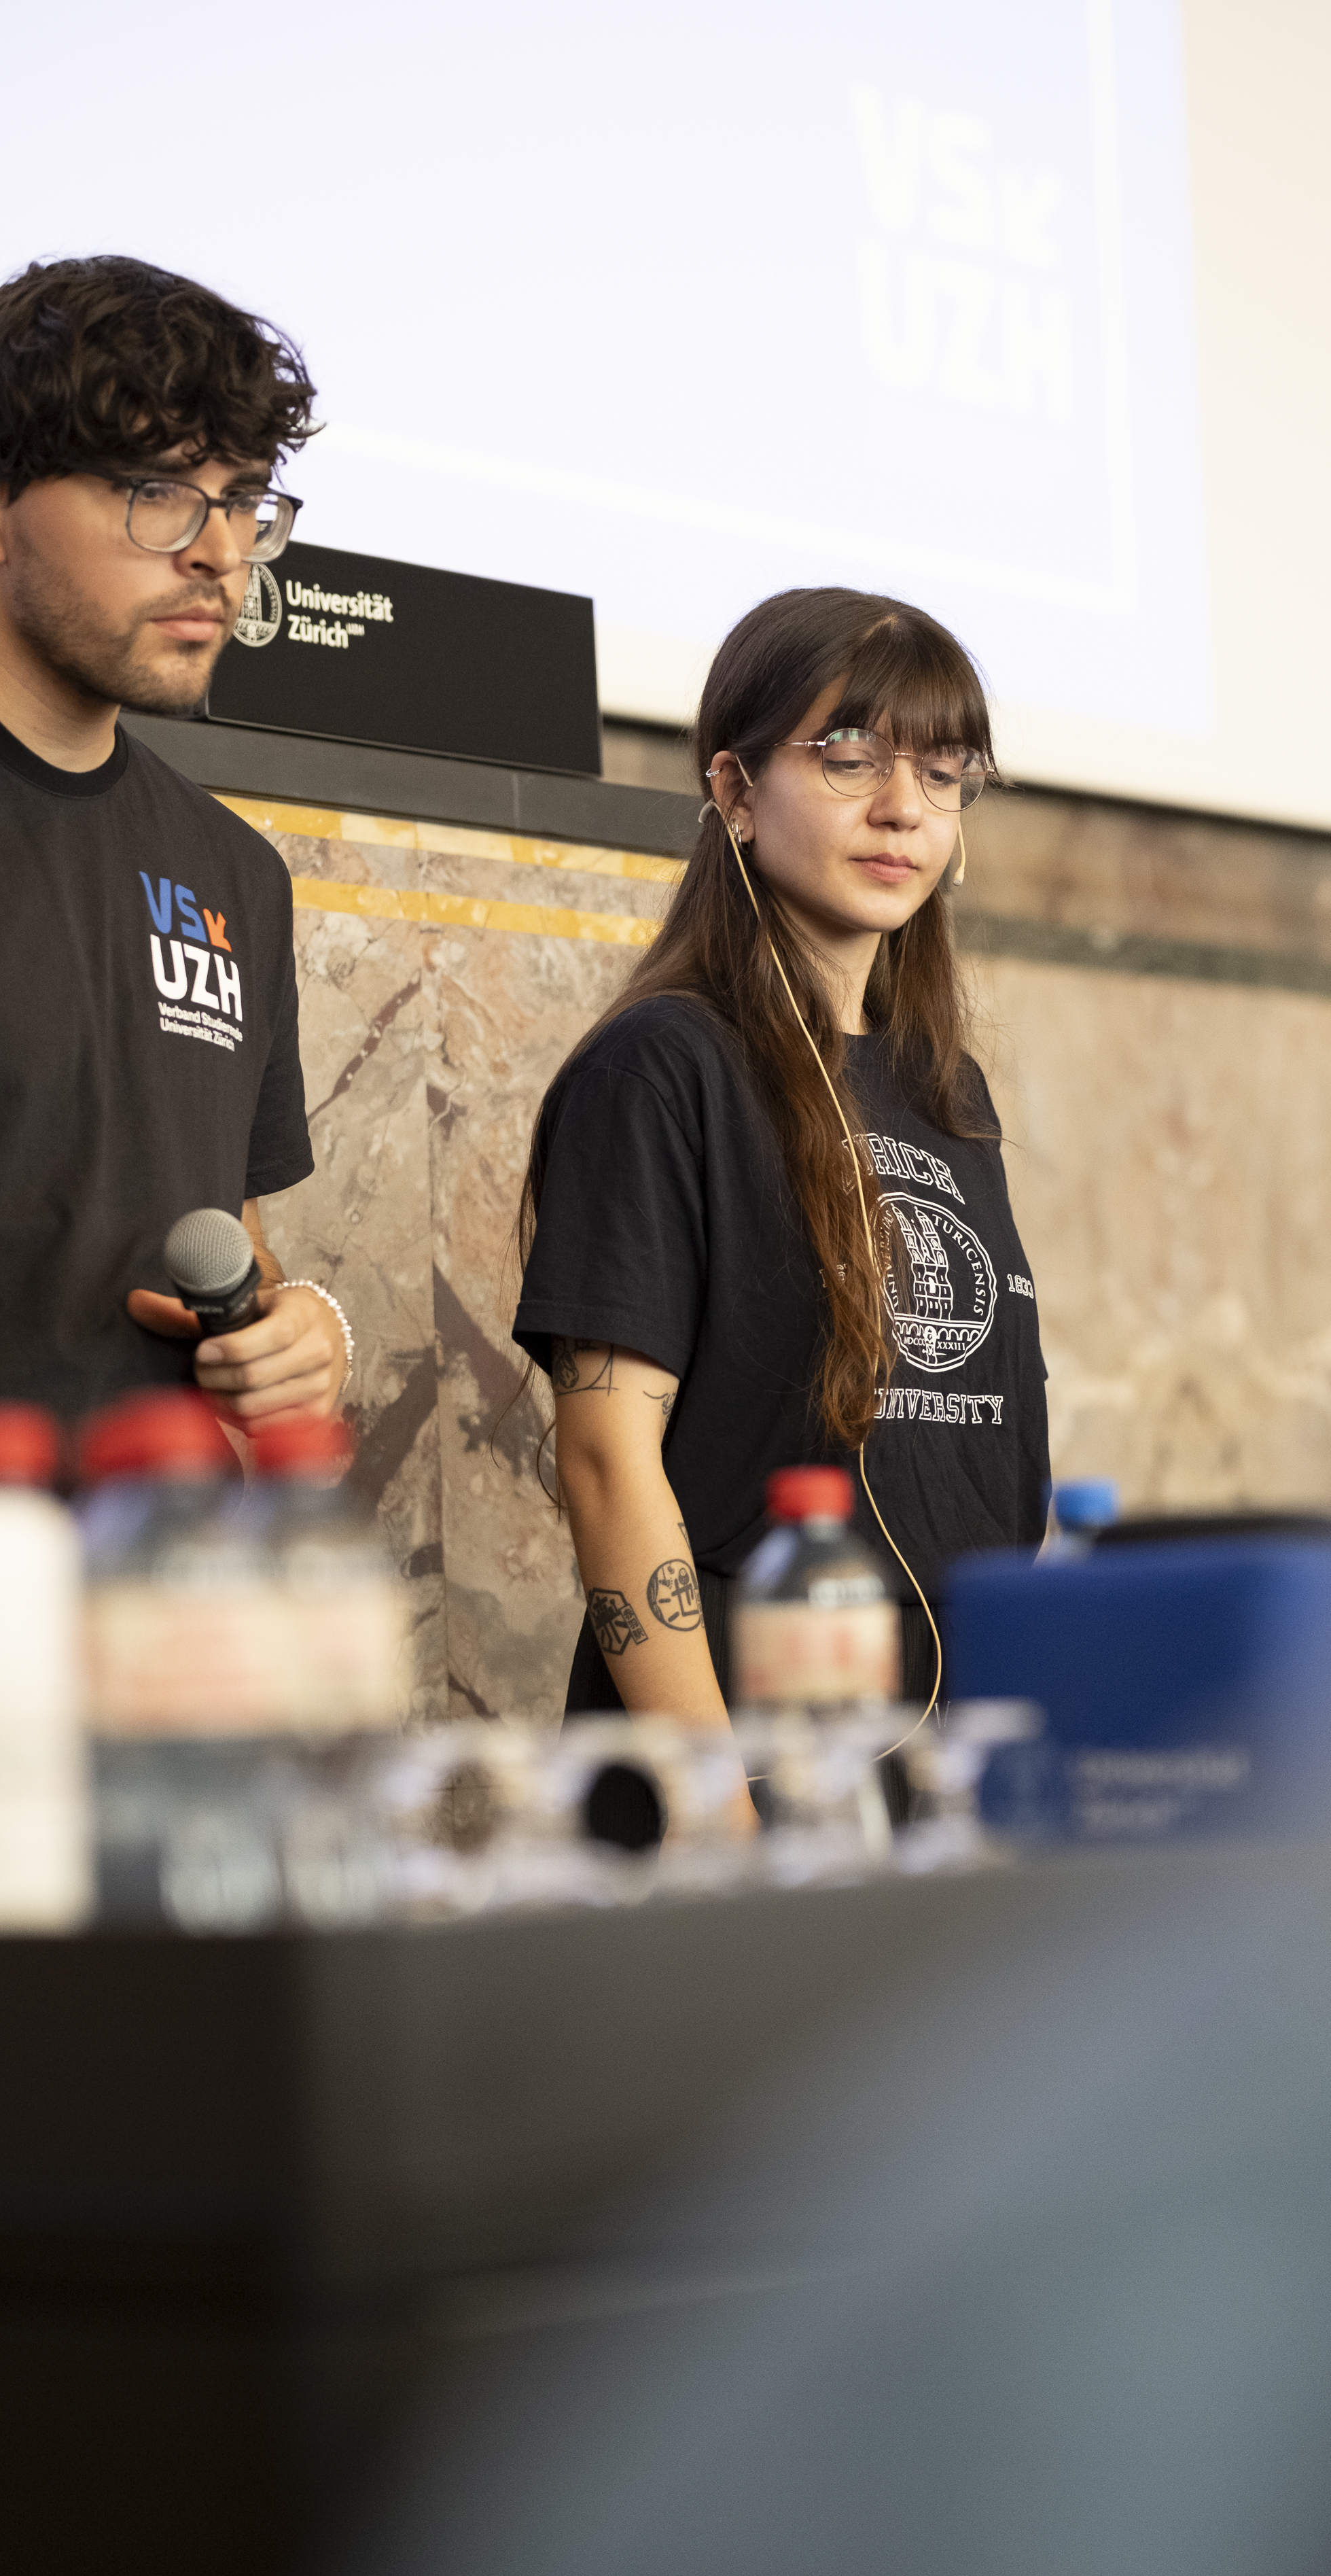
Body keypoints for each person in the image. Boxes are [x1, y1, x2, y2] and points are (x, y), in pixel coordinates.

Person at [512, 586, 1050, 1723]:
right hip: (742, 1730)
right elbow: (606, 1465)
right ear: (735, 790)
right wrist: (712, 1790)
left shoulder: (946, 1088)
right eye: (850, 761)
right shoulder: (660, 1068)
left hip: (943, 1732)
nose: (903, 809)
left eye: (942, 772)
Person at [0, 256, 351, 1469]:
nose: (219, 553)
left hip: (166, 1561)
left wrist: (291, 1330)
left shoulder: (234, 873)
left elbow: (227, 1239)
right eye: (158, 493)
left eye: (241, 500)